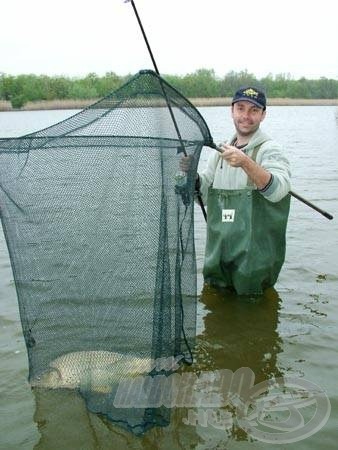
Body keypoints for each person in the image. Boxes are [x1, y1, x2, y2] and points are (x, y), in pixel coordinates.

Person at [181, 86, 291, 295]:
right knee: (215, 307)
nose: (246, 116)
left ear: (263, 115)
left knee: (253, 318)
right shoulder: (220, 152)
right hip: (219, 256)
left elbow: (278, 191)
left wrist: (246, 163)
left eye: (254, 110)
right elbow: (203, 196)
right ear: (232, 111)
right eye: (241, 108)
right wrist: (192, 177)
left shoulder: (271, 149)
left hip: (255, 262)